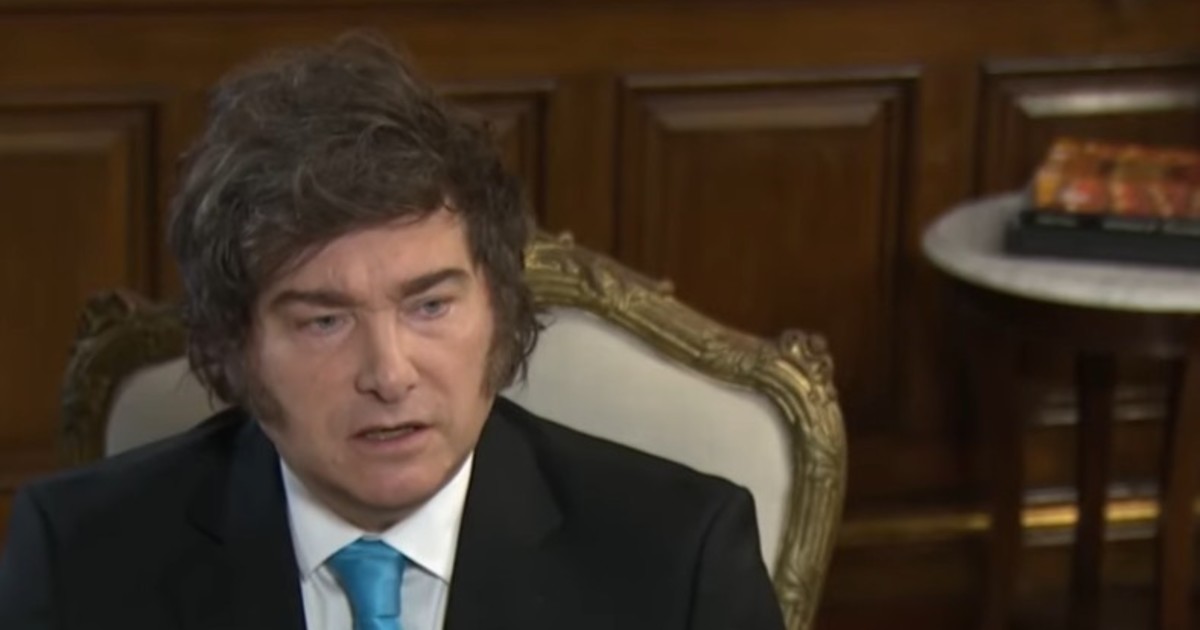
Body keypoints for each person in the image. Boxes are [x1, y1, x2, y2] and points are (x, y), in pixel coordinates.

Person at [0, 33, 785, 630]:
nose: (389, 374)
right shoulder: (79, 557)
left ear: (500, 312)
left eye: (429, 306)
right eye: (324, 320)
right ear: (234, 348)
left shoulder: (677, 558)